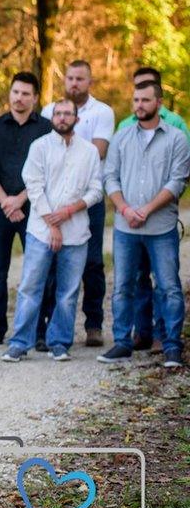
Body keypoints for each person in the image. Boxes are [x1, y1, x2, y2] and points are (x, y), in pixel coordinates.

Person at [1, 100, 102, 362]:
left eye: (68, 114)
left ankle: (59, 343)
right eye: (58, 113)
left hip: (77, 232)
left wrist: (69, 211)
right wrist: (53, 223)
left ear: (77, 120)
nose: (62, 118)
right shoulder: (40, 147)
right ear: (52, 118)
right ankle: (20, 343)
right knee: (30, 288)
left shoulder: (89, 152)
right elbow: (33, 186)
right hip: (40, 231)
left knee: (67, 293)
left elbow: (96, 191)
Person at [98, 81, 190, 368]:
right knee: (123, 286)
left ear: (159, 103)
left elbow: (177, 181)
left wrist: (147, 210)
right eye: (136, 99)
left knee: (169, 287)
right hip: (126, 228)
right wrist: (125, 208)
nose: (139, 105)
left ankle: (172, 346)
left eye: (145, 100)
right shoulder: (122, 137)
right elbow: (109, 177)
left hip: (161, 227)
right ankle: (123, 342)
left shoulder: (176, 138)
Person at [39, 60, 115, 349]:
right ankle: (49, 325)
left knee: (92, 262)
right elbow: (45, 150)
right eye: (70, 78)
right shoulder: (50, 111)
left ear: (89, 82)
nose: (74, 83)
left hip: (88, 199)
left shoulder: (102, 112)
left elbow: (98, 152)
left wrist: (67, 164)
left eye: (80, 79)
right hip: (55, 199)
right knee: (53, 261)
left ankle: (93, 324)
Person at [0, 72, 53, 346]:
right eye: (15, 92)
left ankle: (41, 332)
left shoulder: (46, 129)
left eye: (25, 94)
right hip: (0, 210)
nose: (19, 98)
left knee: (39, 270)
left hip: (34, 208)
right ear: (9, 93)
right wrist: (6, 202)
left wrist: (20, 200)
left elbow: (46, 173)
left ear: (35, 98)